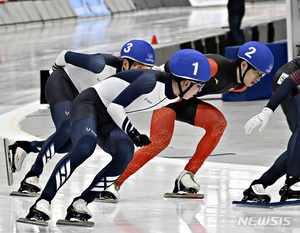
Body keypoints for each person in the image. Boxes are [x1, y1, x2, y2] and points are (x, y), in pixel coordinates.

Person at [22, 49, 212, 223]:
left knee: (125, 152)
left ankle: (81, 202)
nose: (200, 91)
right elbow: (115, 107)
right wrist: (133, 133)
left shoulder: (176, 91)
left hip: (107, 115)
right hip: (90, 104)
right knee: (84, 147)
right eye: (200, 86)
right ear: (186, 82)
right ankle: (43, 201)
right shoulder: (150, 82)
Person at [101, 41, 275, 201]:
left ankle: (187, 176)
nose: (259, 79)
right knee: (160, 141)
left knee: (218, 123)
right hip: (168, 99)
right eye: (258, 73)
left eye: (263, 75)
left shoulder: (241, 85)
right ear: (243, 65)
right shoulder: (214, 66)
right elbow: (173, 64)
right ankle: (112, 182)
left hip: (186, 100)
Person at [8, 39, 155, 194]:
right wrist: (53, 72)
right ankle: (33, 175)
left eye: (147, 69)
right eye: (139, 67)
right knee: (67, 128)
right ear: (125, 63)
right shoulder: (101, 64)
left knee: (72, 144)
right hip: (63, 84)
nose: (142, 73)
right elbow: (64, 55)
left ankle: (25, 147)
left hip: (88, 102)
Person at [242, 57, 300, 203]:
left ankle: (258, 186)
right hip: (288, 77)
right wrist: (267, 111)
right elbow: (290, 81)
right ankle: (293, 182)